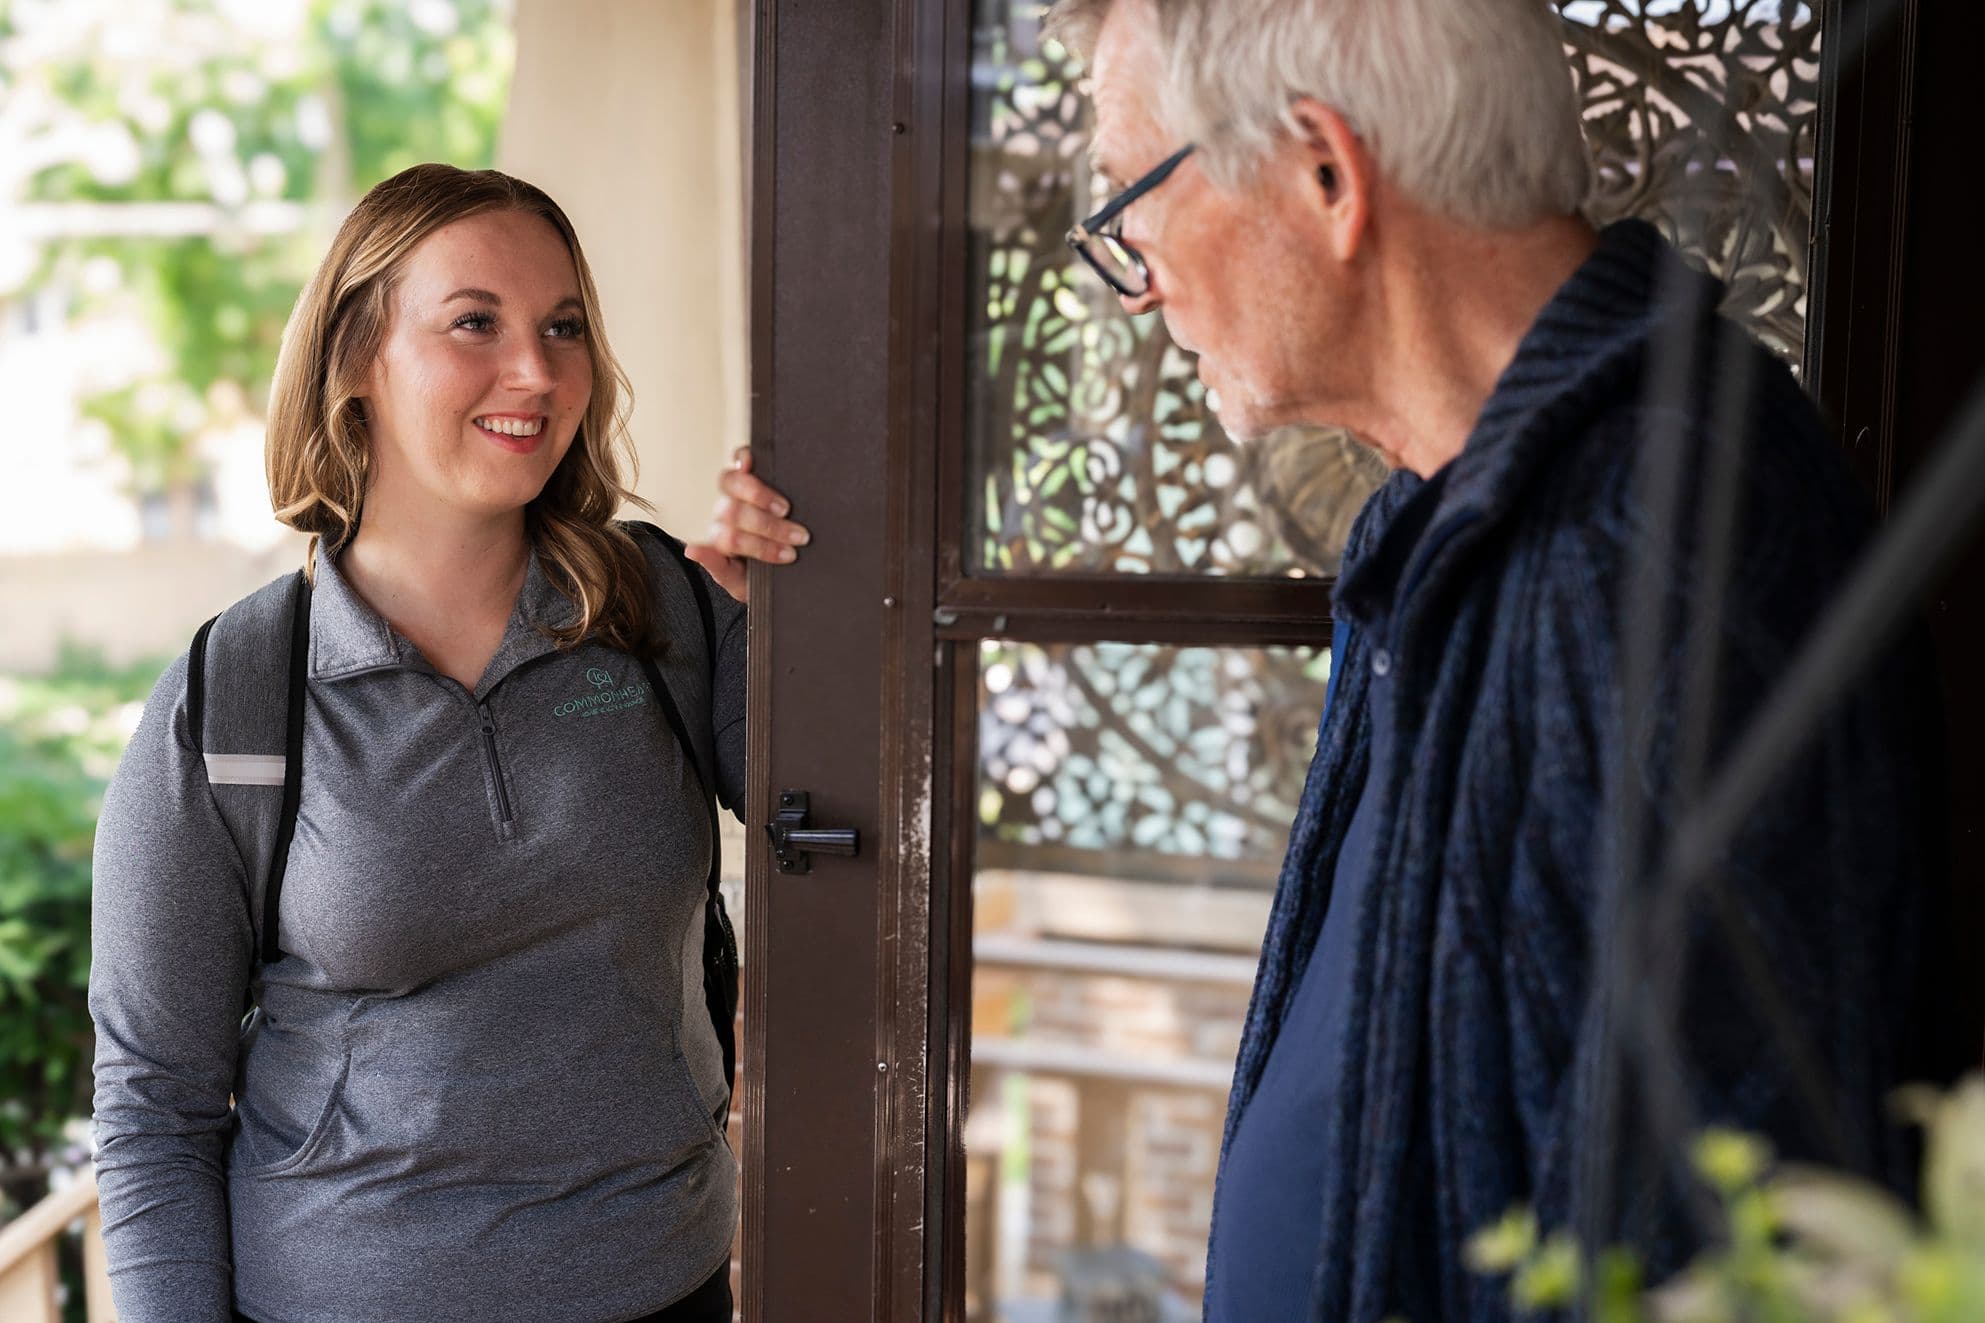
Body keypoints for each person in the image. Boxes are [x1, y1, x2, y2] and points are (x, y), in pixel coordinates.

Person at [707, 0, 1949, 1317]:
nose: (1136, 276)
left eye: (1131, 197)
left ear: (1323, 172)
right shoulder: (1454, 516)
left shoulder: (1665, 546)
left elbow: (1742, 1247)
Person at [89, 164, 751, 1323]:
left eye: (564, 327)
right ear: (356, 357)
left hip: (665, 1286)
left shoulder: (665, 611)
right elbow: (155, 1107)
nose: (536, 372)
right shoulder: (233, 696)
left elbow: (860, 805)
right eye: (473, 323)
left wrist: (822, 598)